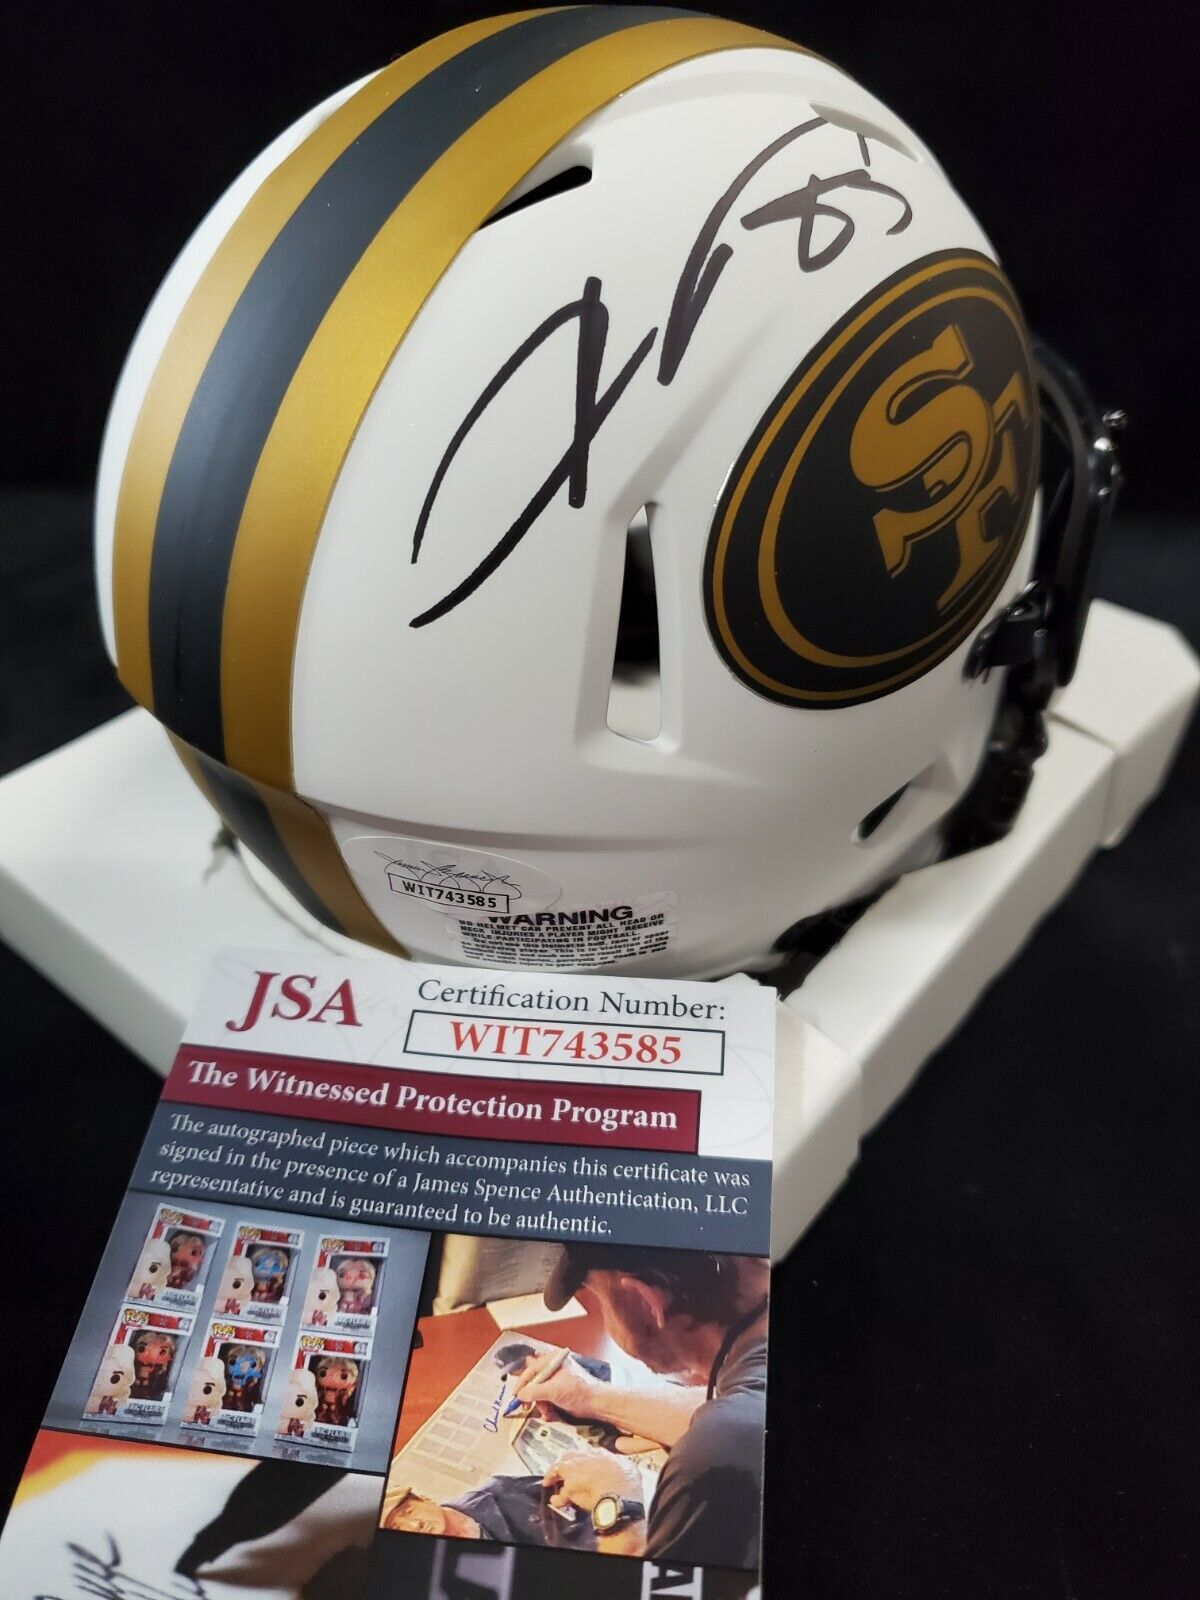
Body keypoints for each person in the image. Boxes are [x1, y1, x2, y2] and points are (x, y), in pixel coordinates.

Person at [514, 1245, 768, 1569]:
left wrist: (617, 1503)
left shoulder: (715, 1454)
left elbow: (650, 1586)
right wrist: (589, 1395)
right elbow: (728, 1411)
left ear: (645, 1302)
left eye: (599, 1299)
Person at [385, 1479, 596, 1551]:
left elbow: (573, 1492)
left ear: (425, 1499)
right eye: (398, 1529)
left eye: (409, 1512)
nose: (415, 1525)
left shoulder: (498, 1489)